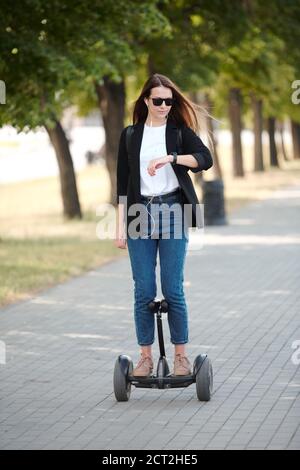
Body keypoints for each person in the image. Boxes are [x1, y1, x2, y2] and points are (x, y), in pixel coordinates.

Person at [115, 73, 213, 377]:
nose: (163, 105)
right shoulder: (130, 135)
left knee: (173, 290)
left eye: (168, 101)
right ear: (146, 100)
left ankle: (181, 357)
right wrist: (120, 226)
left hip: (172, 210)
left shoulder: (179, 132)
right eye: (157, 100)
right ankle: (144, 357)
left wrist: (171, 158)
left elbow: (205, 159)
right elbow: (121, 184)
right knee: (143, 289)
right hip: (138, 214)